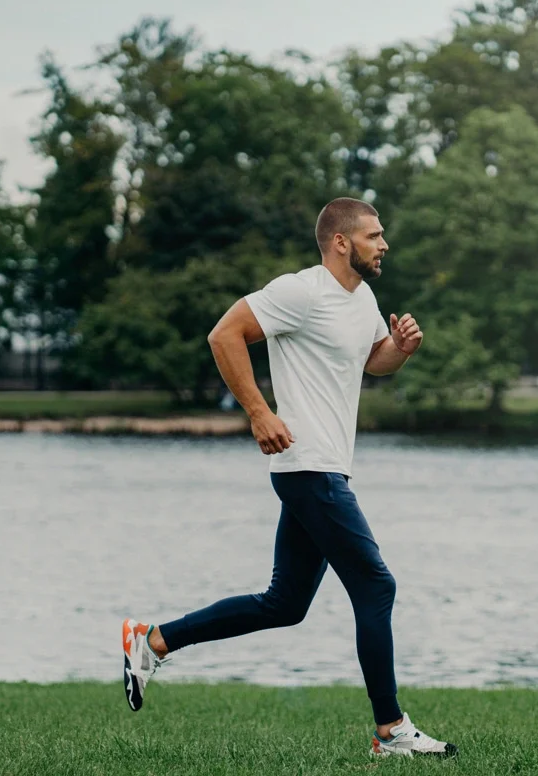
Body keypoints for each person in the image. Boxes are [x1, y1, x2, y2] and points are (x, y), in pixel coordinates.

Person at [121, 197, 457, 759]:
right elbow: (223, 335)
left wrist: (398, 349)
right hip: (307, 464)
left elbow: (371, 359)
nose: (385, 244)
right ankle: (390, 731)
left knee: (285, 604)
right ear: (341, 242)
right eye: (374, 235)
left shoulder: (363, 298)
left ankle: (152, 641)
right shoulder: (299, 291)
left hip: (325, 467)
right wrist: (258, 412)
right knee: (376, 586)